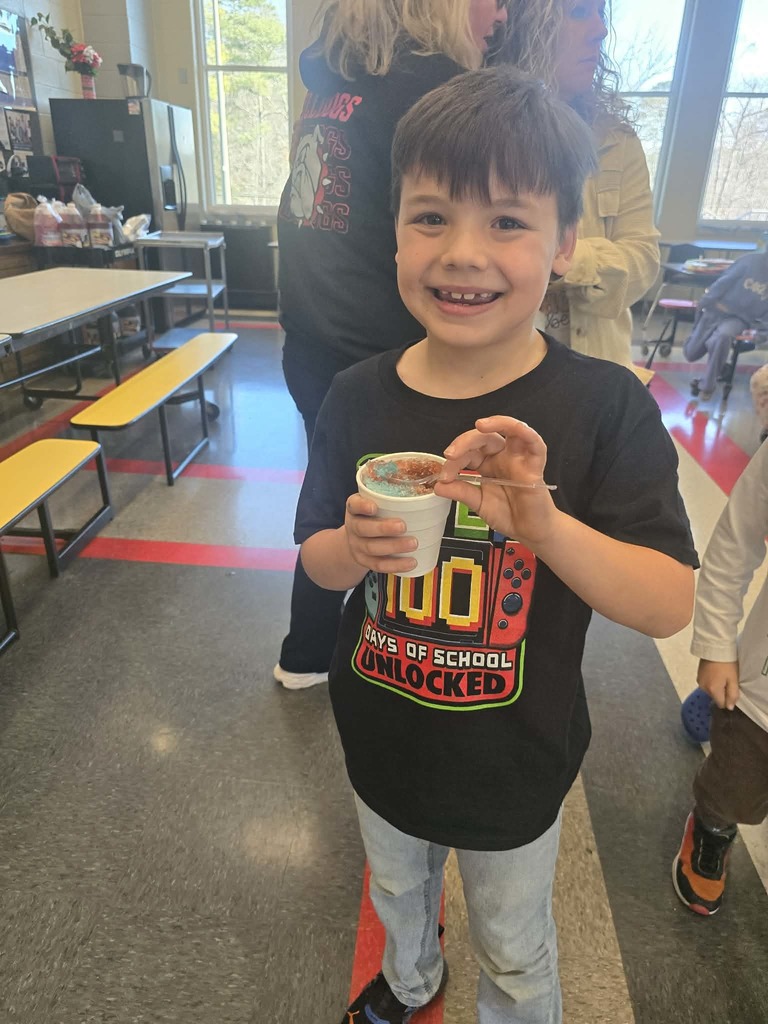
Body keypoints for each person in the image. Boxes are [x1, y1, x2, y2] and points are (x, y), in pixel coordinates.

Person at [295, 67, 697, 1023]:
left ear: (565, 243)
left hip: (515, 757)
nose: (461, 253)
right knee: (398, 895)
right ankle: (409, 980)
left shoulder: (603, 407)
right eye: (429, 216)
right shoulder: (357, 395)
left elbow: (666, 600)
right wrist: (351, 550)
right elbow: (312, 559)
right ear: (393, 229)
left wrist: (547, 526)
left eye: (508, 222)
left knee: (516, 948)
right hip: (381, 736)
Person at [274, 0, 509, 690]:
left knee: (338, 501)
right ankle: (407, 660)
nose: (498, 15)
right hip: (380, 354)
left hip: (310, 341)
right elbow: (456, 244)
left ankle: (306, 652)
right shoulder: (431, 92)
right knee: (408, 513)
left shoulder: (334, 83)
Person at [497, 0, 660, 372]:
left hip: (596, 376)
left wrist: (560, 259)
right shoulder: (475, 133)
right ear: (526, 23)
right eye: (579, 12)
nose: (601, 30)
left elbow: (643, 261)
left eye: (601, 14)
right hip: (497, 375)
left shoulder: (616, 139)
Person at [673, 441, 768, 917]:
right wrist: (715, 644)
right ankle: (711, 829)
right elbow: (736, 541)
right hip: (759, 697)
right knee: (734, 789)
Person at [682, 250, 768, 400]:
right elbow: (724, 282)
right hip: (716, 308)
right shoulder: (749, 260)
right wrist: (706, 301)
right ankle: (720, 362)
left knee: (722, 336)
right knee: (691, 353)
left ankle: (707, 385)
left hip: (739, 318)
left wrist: (761, 333)